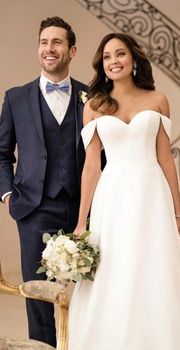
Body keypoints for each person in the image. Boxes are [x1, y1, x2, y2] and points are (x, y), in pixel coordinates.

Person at [68, 32, 180, 350]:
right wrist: (82, 222)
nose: (114, 61)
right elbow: (92, 167)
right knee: (114, 269)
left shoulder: (158, 100)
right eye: (107, 57)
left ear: (134, 59)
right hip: (113, 198)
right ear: (102, 64)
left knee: (155, 266)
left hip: (151, 195)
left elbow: (166, 159)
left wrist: (178, 211)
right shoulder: (95, 105)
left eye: (120, 54)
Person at [0, 17, 88, 347]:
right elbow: (1, 153)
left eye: (57, 42)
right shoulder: (16, 98)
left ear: (72, 50)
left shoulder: (90, 96)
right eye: (44, 42)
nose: (49, 49)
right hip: (33, 208)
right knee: (37, 296)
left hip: (83, 210)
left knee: (87, 292)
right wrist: (8, 194)